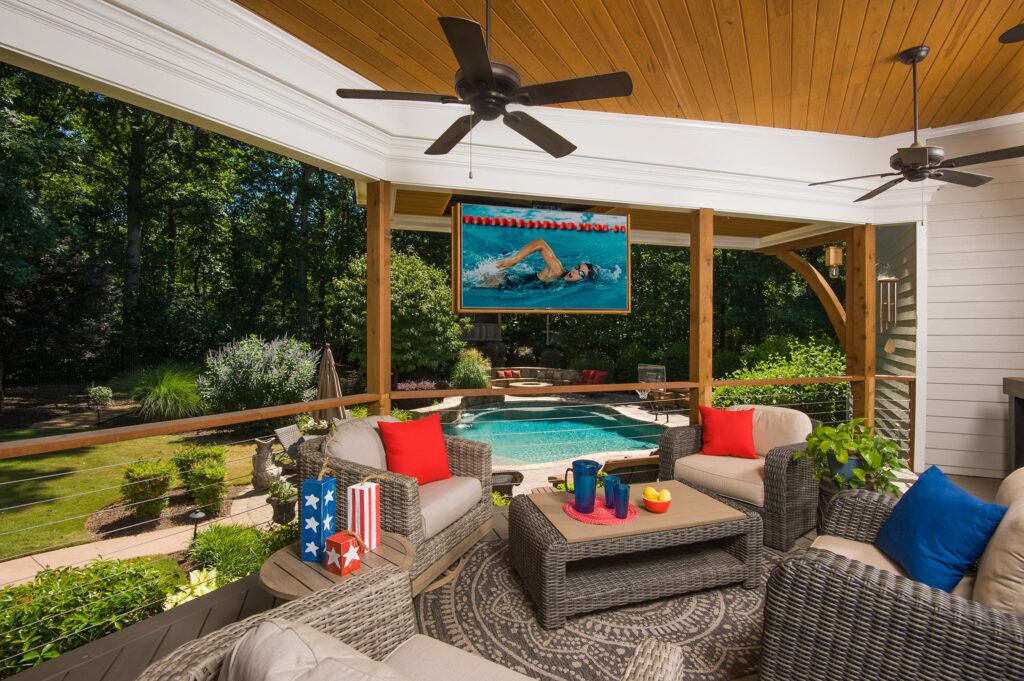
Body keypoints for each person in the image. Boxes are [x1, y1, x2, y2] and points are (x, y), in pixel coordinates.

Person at [479, 238, 598, 288]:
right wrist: (515, 259)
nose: (574, 271)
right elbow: (540, 243)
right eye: (577, 267)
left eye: (581, 273)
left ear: (584, 281)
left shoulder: (564, 286)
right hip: (501, 281)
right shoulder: (557, 270)